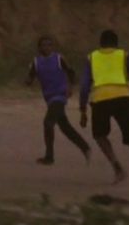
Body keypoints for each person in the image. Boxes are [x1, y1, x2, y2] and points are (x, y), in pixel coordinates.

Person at [78, 30, 129, 185]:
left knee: (100, 135)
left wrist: (83, 111)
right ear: (116, 44)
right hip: (123, 98)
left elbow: (84, 87)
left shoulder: (92, 57)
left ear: (100, 44)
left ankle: (118, 168)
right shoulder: (123, 55)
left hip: (100, 99)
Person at [25, 36, 91, 166]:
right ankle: (85, 148)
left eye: (49, 45)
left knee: (48, 123)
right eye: (44, 45)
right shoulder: (36, 62)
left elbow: (71, 73)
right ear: (39, 47)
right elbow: (30, 78)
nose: (47, 47)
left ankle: (49, 157)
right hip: (49, 98)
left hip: (60, 96)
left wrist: (70, 87)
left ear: (52, 47)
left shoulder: (59, 58)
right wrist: (27, 81)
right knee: (65, 127)